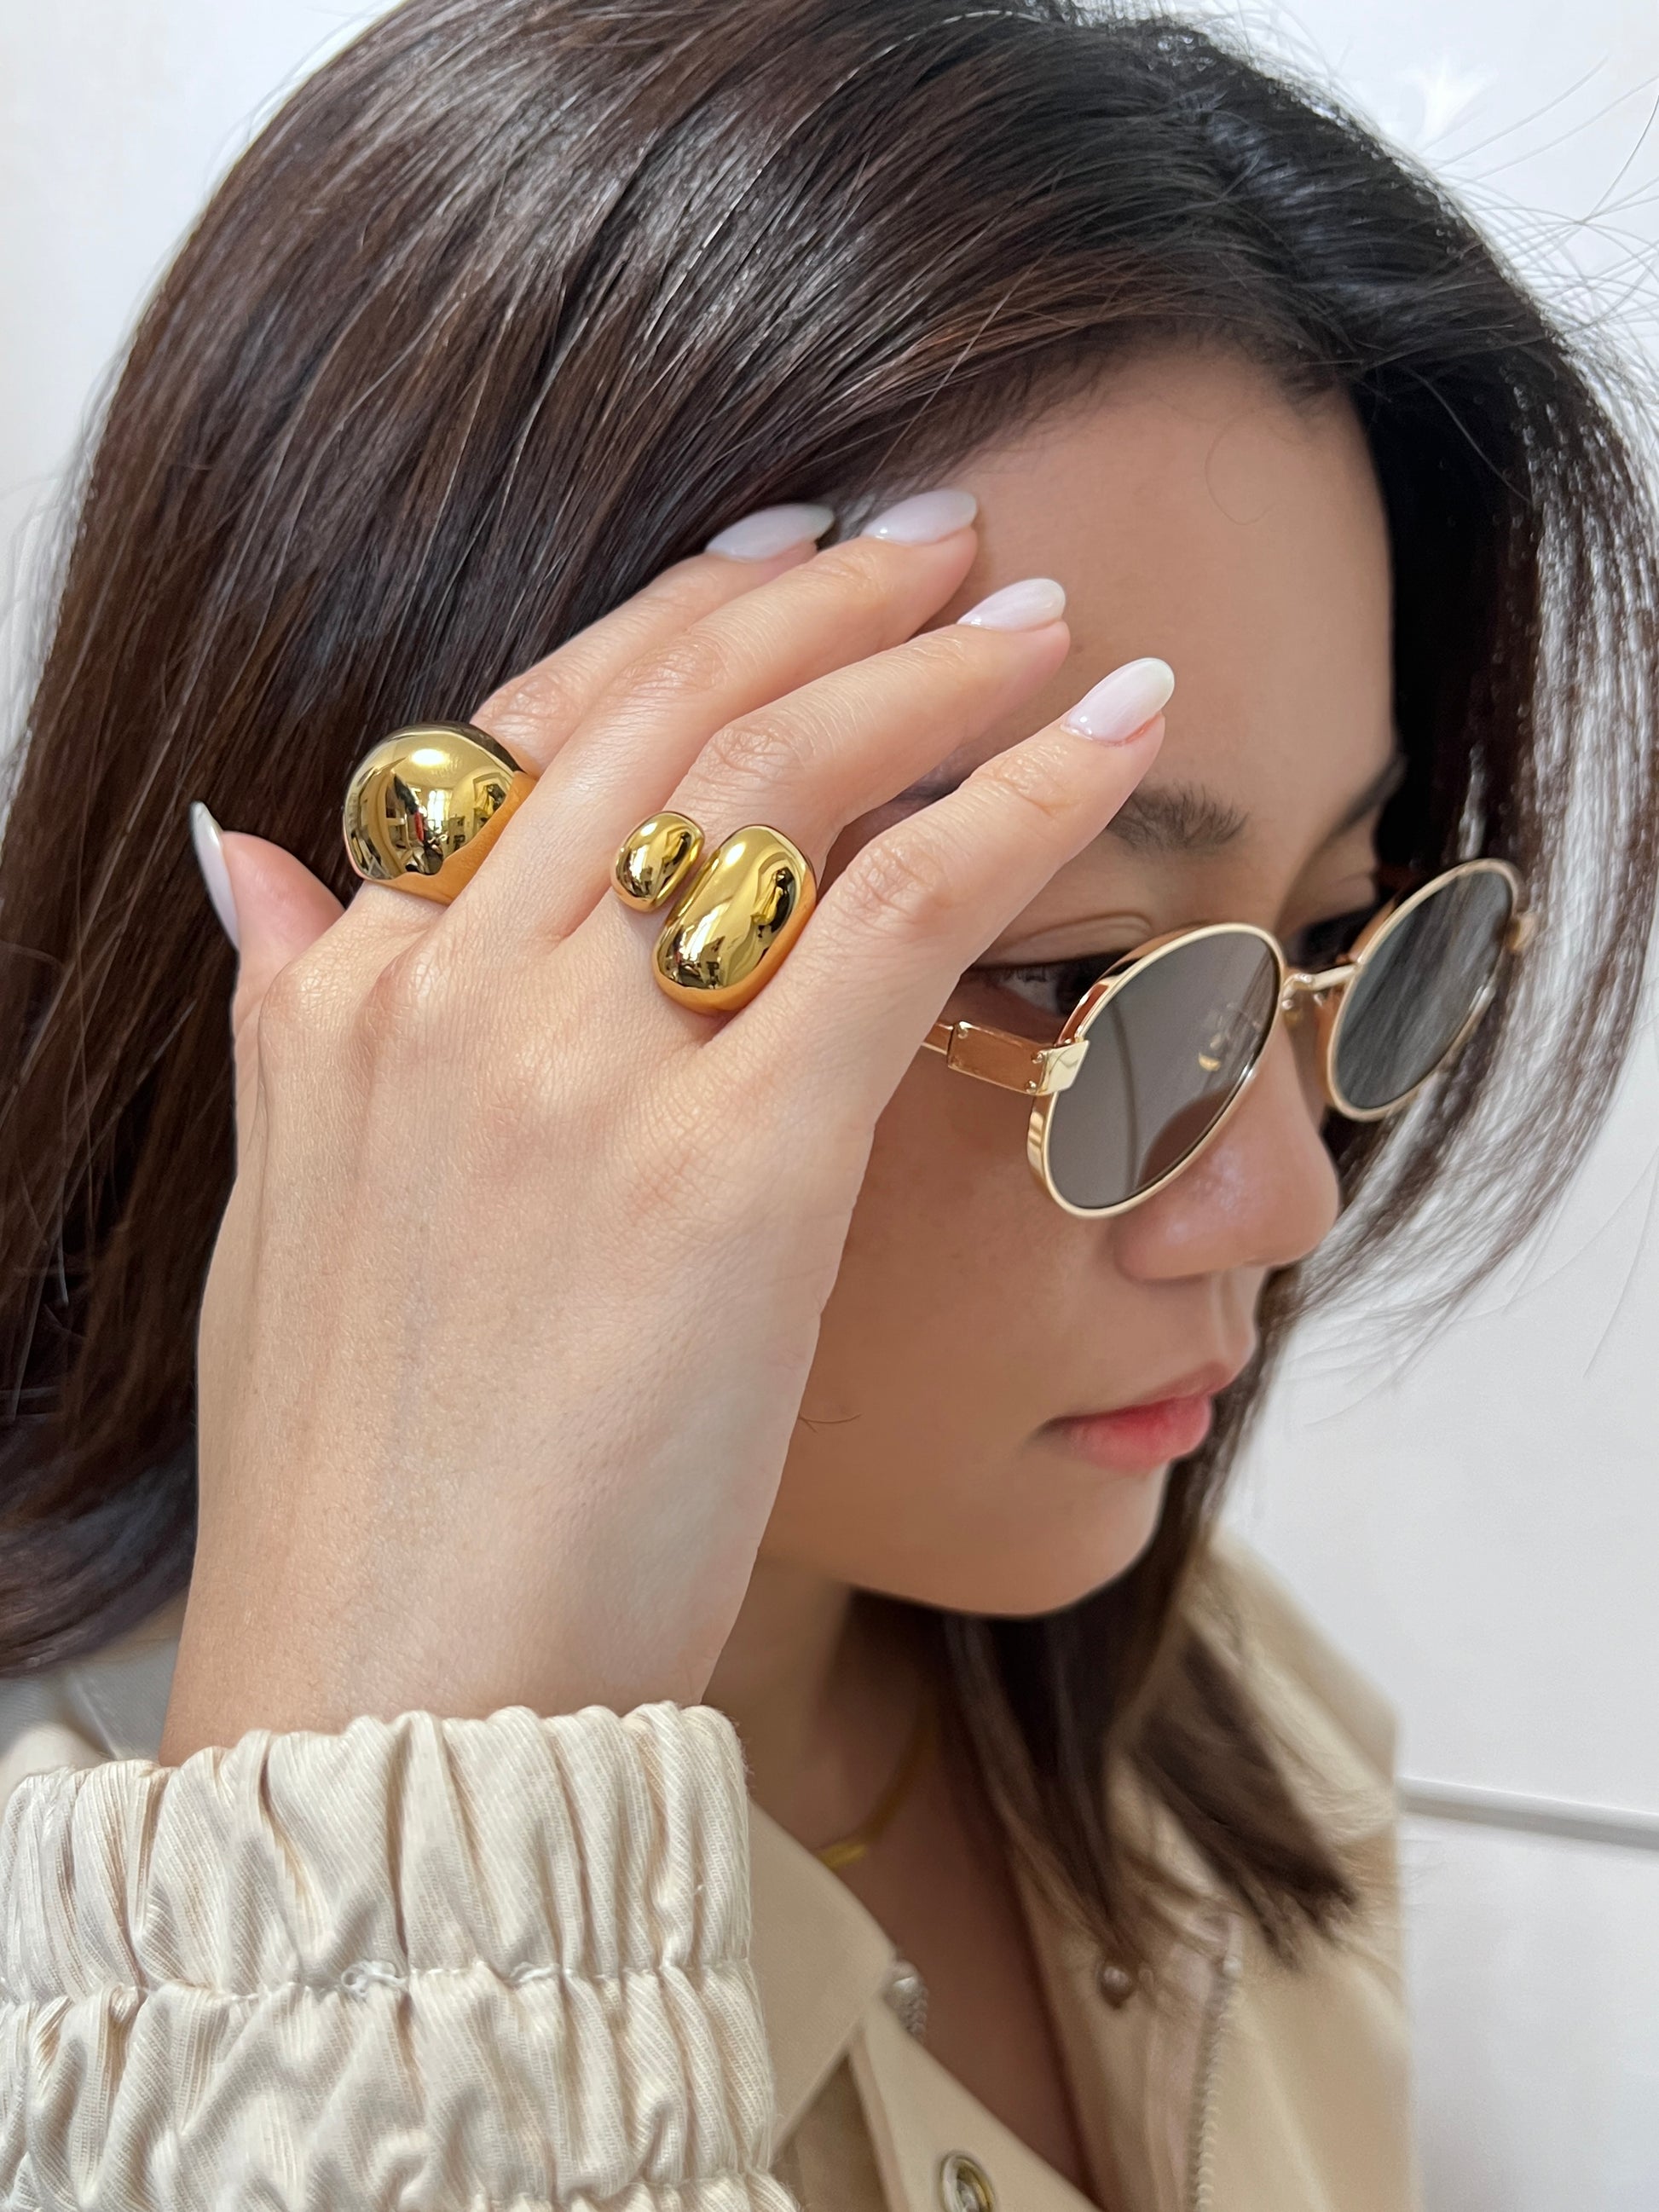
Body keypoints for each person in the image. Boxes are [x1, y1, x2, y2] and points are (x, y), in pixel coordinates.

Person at [1, 2, 1656, 2206]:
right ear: (425, 961)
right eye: (1067, 970)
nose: (1277, 1196)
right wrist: (367, 1905)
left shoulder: (1217, 1723)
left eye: (1346, 928)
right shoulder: (66, 1995)